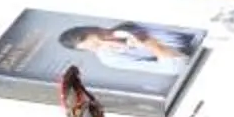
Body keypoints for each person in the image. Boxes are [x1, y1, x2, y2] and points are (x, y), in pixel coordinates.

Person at [57, 20, 191, 73]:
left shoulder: (131, 25)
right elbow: (178, 68)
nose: (107, 44)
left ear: (98, 28)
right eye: (97, 47)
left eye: (102, 37)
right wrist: (146, 42)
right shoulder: (111, 58)